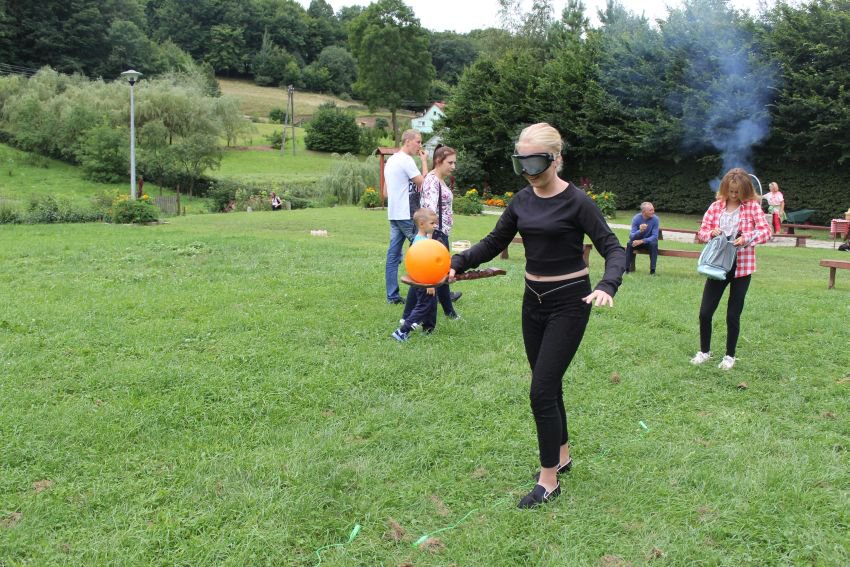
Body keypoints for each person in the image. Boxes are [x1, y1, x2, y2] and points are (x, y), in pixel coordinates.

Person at [448, 123, 626, 509]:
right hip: (533, 302)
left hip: (570, 303)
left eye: (535, 162)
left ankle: (549, 481)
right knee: (549, 383)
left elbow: (613, 248)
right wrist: (457, 262)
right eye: (521, 163)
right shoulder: (521, 201)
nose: (528, 172)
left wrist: (607, 285)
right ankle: (562, 456)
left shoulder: (578, 202)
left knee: (541, 390)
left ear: (556, 159)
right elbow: (494, 242)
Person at [691, 168, 771, 371]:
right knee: (705, 312)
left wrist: (746, 238)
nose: (734, 195)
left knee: (733, 315)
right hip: (717, 266)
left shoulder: (752, 207)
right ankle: (704, 351)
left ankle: (729, 356)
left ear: (745, 190)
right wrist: (711, 233)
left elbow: (766, 232)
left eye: (738, 192)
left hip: (742, 267)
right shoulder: (716, 206)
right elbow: (702, 232)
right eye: (731, 191)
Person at [404, 145, 461, 321]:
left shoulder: (440, 180)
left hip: (440, 235)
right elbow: (429, 212)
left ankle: (449, 312)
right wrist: (429, 243)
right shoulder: (432, 181)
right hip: (434, 236)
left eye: (454, 163)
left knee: (441, 274)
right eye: (450, 163)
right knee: (423, 278)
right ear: (438, 161)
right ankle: (406, 317)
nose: (453, 166)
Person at [384, 129, 429, 304]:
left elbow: (385, 192)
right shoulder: (406, 160)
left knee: (393, 256)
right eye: (418, 141)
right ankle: (435, 293)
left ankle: (392, 296)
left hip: (394, 214)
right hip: (407, 213)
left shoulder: (391, 160)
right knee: (424, 249)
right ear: (407, 141)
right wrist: (424, 161)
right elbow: (424, 184)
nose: (420, 145)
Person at [392, 208, 439, 341]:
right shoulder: (421, 243)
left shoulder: (421, 239)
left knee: (431, 304)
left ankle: (428, 329)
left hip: (424, 280)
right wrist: (429, 284)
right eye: (432, 223)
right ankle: (402, 331)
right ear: (422, 224)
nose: (435, 226)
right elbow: (424, 265)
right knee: (423, 306)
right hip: (425, 281)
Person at [624, 202, 660, 275]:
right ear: (644, 212)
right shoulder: (636, 218)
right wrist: (639, 231)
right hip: (637, 243)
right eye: (650, 210)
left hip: (648, 243)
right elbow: (631, 236)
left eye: (653, 209)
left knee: (654, 244)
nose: (653, 212)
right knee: (629, 244)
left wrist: (642, 241)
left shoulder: (655, 219)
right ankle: (626, 269)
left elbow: (655, 236)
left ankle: (652, 271)